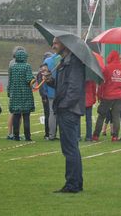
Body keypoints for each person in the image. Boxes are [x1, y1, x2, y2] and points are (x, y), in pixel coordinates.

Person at [44, 37, 86, 194]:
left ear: (65, 45)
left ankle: (73, 184)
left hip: (69, 111)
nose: (53, 45)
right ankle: (75, 183)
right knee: (70, 148)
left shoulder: (73, 63)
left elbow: (74, 91)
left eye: (56, 43)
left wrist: (62, 106)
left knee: (70, 149)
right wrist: (49, 80)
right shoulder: (64, 62)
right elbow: (61, 86)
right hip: (66, 109)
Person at [92, 50, 121, 142]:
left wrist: (99, 95)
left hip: (107, 96)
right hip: (120, 96)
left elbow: (102, 83)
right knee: (116, 116)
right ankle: (115, 136)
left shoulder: (107, 68)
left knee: (101, 115)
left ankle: (96, 135)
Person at [7, 49, 35, 141]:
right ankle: (27, 136)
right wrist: (34, 78)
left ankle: (16, 136)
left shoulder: (12, 67)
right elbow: (29, 79)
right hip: (26, 94)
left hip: (15, 94)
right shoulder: (27, 66)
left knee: (16, 115)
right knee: (26, 116)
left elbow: (10, 81)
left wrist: (9, 92)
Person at [7, 45, 25, 140]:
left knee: (13, 112)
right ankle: (14, 133)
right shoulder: (20, 64)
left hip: (13, 89)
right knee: (18, 113)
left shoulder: (11, 63)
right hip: (19, 90)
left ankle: (12, 133)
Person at [43, 51, 59, 140]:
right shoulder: (63, 59)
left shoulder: (47, 61)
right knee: (62, 113)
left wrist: (44, 91)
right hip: (61, 91)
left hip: (50, 91)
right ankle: (62, 134)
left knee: (52, 113)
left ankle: (51, 135)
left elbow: (44, 78)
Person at [36, 63, 50, 140]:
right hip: (46, 96)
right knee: (47, 114)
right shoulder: (40, 75)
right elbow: (41, 87)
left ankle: (49, 133)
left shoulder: (46, 73)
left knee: (49, 115)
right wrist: (44, 96)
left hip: (48, 95)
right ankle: (47, 133)